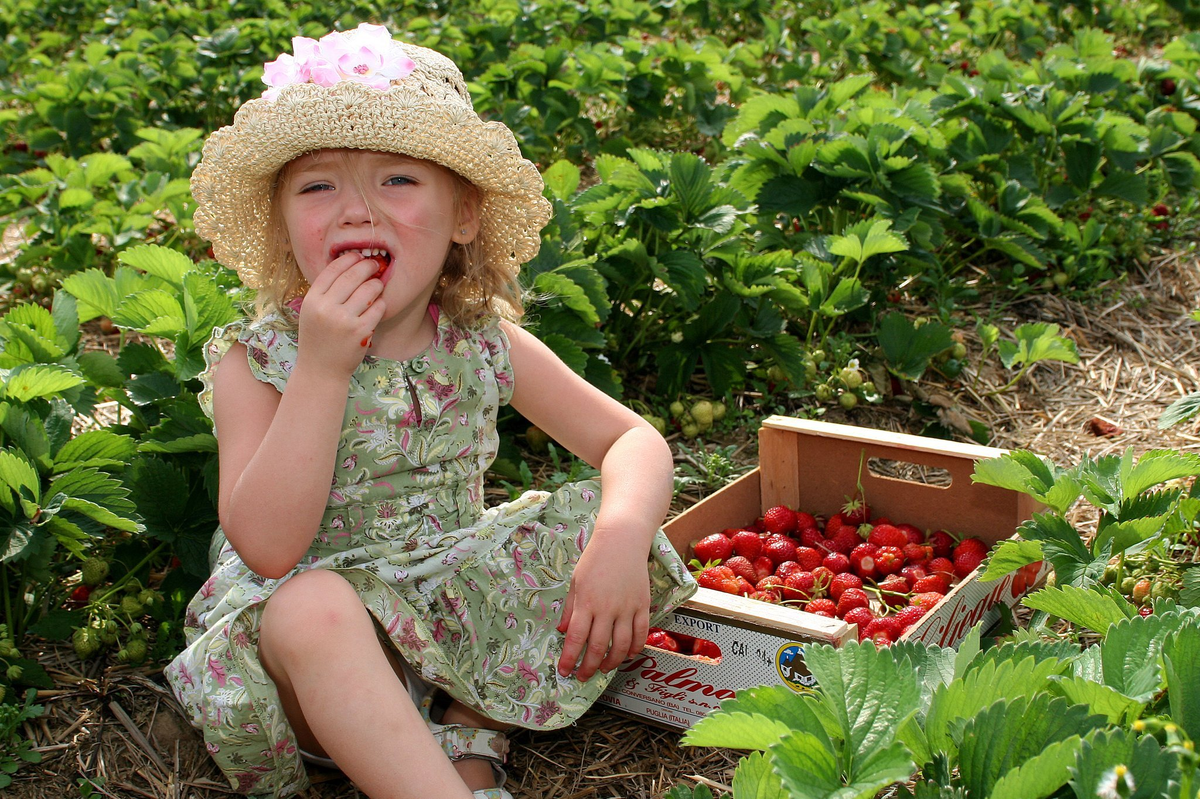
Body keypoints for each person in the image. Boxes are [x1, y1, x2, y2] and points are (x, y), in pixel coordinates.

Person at [163, 23, 696, 799]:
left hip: (451, 620)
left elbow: (633, 441)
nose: (355, 212)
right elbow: (270, 548)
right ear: (284, 222)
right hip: (319, 664)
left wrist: (618, 540)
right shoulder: (260, 361)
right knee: (314, 607)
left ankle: (468, 732)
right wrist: (321, 370)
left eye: (398, 181)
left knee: (595, 521)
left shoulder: (481, 341)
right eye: (318, 186)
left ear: (464, 217)